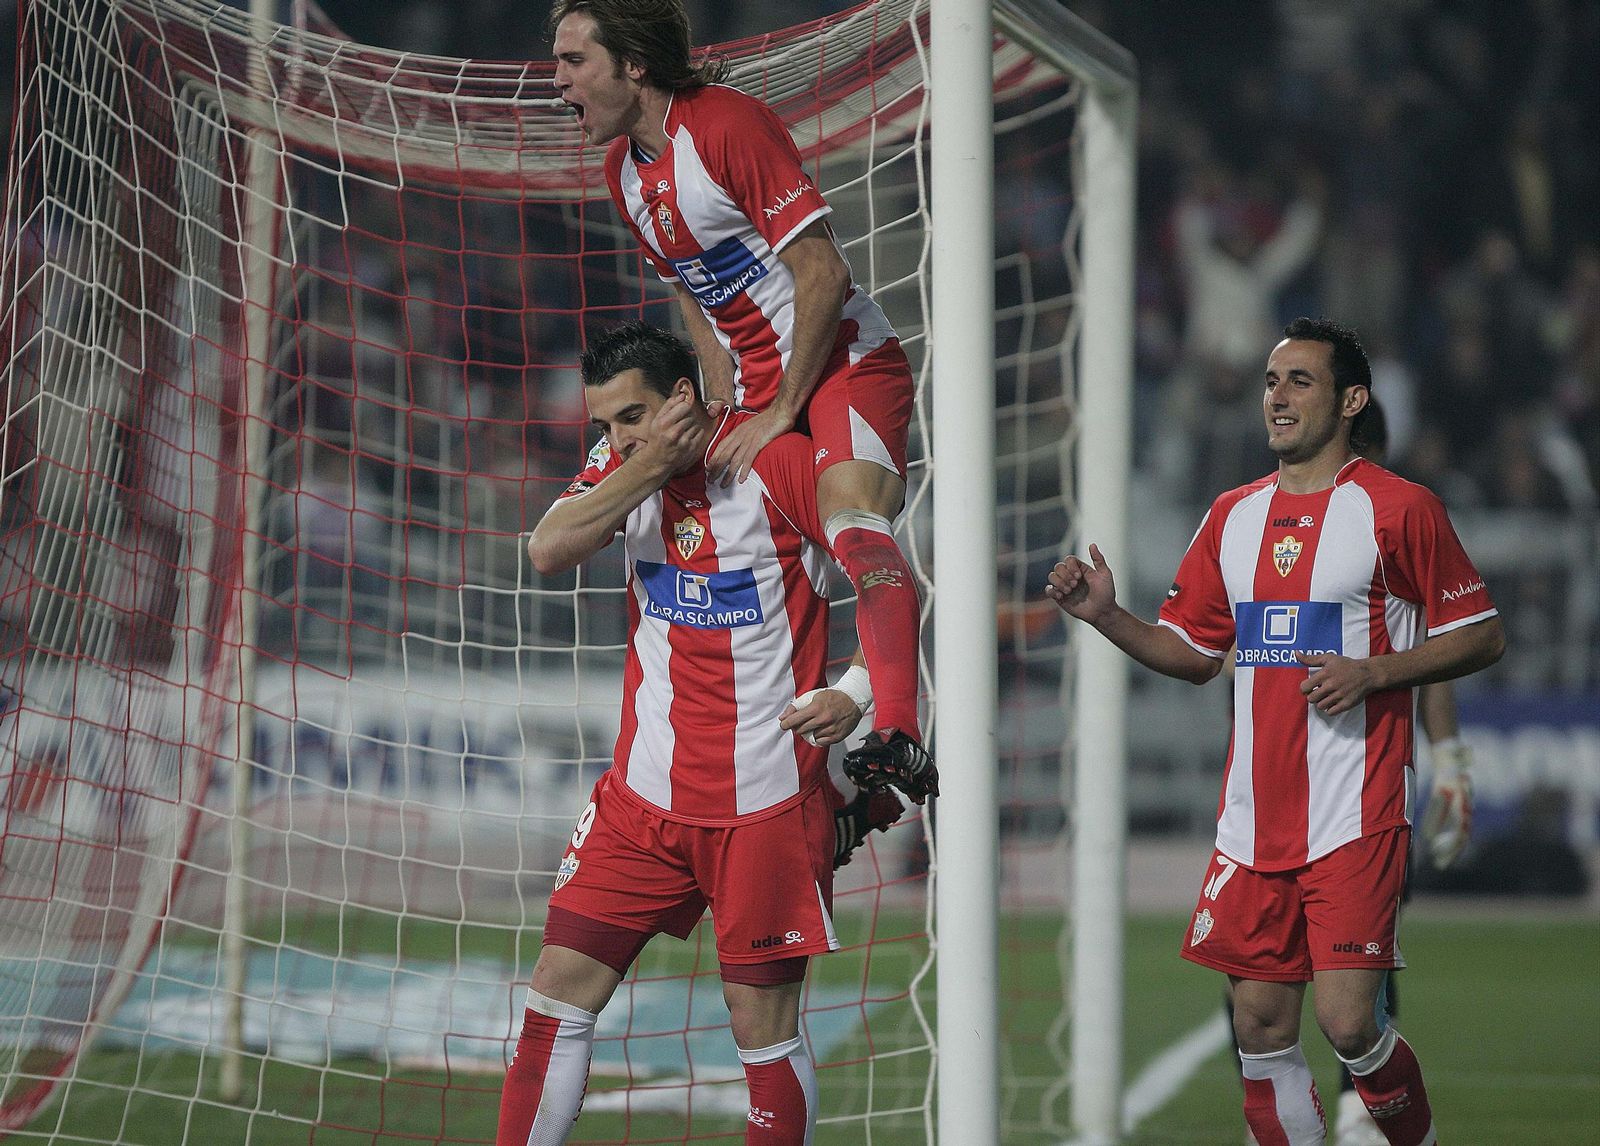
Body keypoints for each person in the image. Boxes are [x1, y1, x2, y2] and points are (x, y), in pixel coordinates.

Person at [1047, 318, 1504, 1146]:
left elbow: (1481, 633)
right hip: (1252, 823)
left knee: (1347, 1023)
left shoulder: (1398, 510)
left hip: (1354, 810)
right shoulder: (1233, 516)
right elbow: (1192, 653)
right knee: (1257, 1027)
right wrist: (1106, 614)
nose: (1278, 396)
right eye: (1270, 380)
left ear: (1351, 399)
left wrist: (1375, 671)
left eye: (1300, 380)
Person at [497, 322, 908, 1146]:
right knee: (554, 993)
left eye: (634, 416)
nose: (616, 438)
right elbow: (547, 548)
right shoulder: (623, 471)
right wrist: (643, 460)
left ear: (684, 397)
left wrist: (858, 692)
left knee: (761, 1026)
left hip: (762, 806)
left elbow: (888, 580)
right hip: (640, 801)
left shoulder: (782, 468)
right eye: (606, 425)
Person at [549, 0, 936, 804]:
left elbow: (823, 273)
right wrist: (723, 399)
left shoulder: (726, 126)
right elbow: (692, 290)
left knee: (852, 521)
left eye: (573, 62)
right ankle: (821, 796)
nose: (559, 83)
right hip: (761, 390)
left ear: (633, 65)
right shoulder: (624, 175)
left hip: (844, 366)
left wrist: (782, 409)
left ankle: (896, 727)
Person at [1219, 396, 1477, 1146]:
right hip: (1269, 793)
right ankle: (1284, 1107)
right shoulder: (1256, 522)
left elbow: (1438, 643)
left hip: (1359, 791)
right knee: (1253, 991)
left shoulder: (1390, 523)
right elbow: (1233, 652)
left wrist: (1450, 762)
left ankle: (1359, 1101)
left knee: (1352, 986)